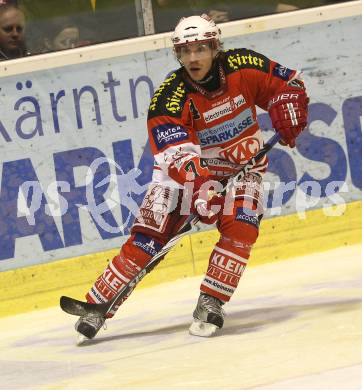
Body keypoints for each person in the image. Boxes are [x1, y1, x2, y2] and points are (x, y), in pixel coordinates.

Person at [74, 14, 309, 340]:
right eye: (185, 51)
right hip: (184, 176)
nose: (193, 58)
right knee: (150, 236)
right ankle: (97, 304)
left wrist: (287, 104)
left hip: (243, 166)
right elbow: (177, 156)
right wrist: (200, 187)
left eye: (200, 49)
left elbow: (289, 84)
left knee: (241, 227)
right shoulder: (169, 97)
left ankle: (211, 300)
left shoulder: (245, 64)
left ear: (215, 47)